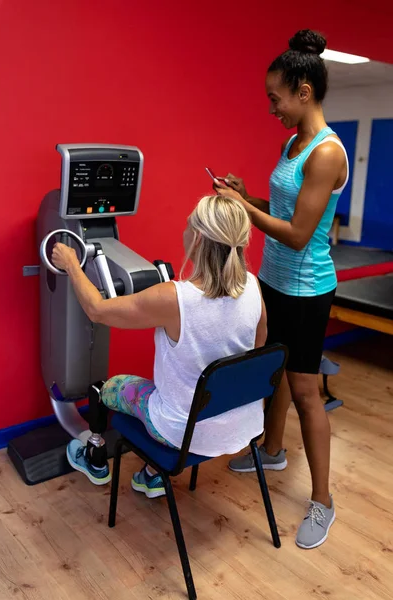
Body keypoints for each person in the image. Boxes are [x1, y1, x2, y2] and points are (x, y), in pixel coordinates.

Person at [215, 29, 349, 549]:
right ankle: (272, 449)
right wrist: (250, 196)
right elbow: (287, 214)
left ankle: (324, 502)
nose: (272, 107)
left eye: (276, 97)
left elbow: (297, 238)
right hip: (271, 280)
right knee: (273, 372)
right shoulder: (291, 143)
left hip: (307, 288)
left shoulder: (327, 153)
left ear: (304, 91)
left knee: (305, 390)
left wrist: (241, 207)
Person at [51, 194, 267, 498]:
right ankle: (150, 474)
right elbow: (256, 350)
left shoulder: (173, 298)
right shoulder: (254, 287)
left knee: (107, 389)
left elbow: (98, 309)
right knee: (181, 392)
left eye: (188, 224)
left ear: (198, 237)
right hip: (242, 426)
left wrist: (72, 264)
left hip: (180, 432)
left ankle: (95, 459)